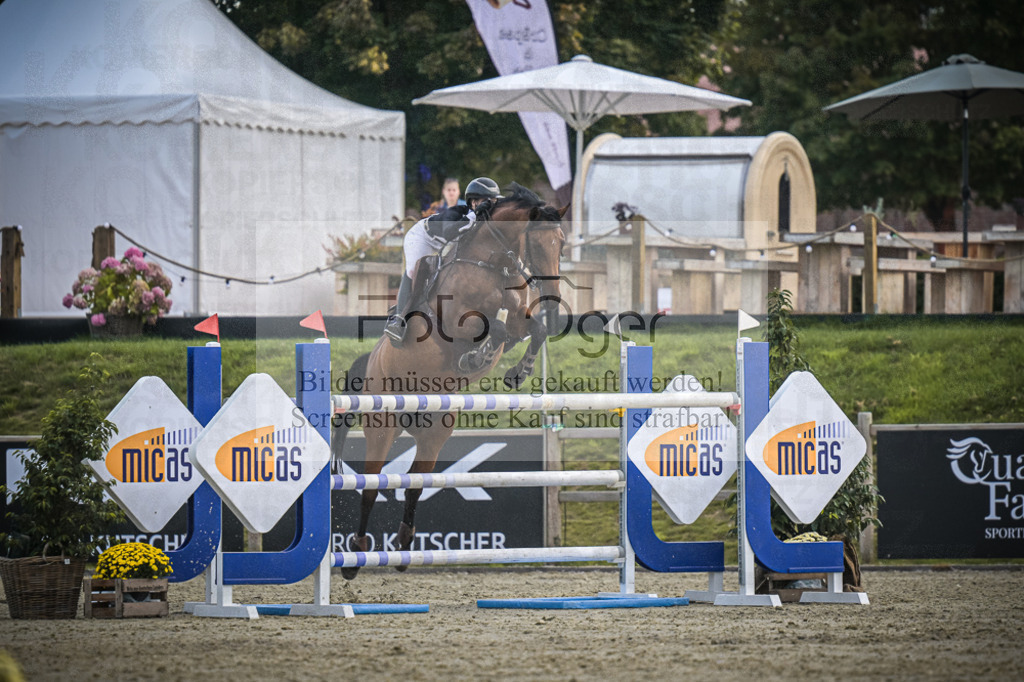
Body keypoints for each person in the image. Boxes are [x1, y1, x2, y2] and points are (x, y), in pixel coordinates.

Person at [384, 177, 502, 346]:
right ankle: (399, 320)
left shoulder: (486, 222)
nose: (491, 206)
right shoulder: (458, 212)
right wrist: (474, 216)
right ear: (474, 202)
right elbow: (449, 233)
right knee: (414, 270)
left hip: (445, 245)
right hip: (423, 238)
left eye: (493, 202)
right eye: (487, 201)